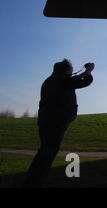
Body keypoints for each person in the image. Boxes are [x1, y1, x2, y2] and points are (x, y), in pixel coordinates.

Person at [23, 59, 95, 188]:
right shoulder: (62, 81)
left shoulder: (50, 81)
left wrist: (84, 73)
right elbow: (85, 82)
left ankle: (33, 180)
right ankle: (34, 182)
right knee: (48, 152)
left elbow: (75, 81)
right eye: (70, 70)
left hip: (46, 121)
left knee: (45, 151)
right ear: (66, 70)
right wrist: (89, 71)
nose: (72, 72)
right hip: (56, 122)